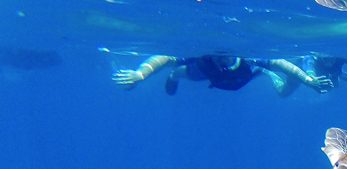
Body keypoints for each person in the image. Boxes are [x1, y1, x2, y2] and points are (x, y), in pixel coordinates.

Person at [112, 54, 333, 95]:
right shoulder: (206, 61)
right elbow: (167, 57)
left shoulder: (249, 58)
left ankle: (270, 77)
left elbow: (279, 62)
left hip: (247, 76)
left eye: (226, 58)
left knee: (271, 78)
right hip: (210, 78)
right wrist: (141, 74)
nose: (222, 60)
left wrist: (308, 80)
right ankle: (172, 77)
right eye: (219, 57)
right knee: (180, 72)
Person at [274, 54, 347, 97]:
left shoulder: (340, 58)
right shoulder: (311, 59)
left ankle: (338, 74)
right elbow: (309, 70)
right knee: (283, 93)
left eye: (332, 59)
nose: (329, 61)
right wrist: (311, 78)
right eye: (325, 59)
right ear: (319, 57)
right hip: (298, 76)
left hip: (327, 75)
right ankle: (268, 72)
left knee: (334, 85)